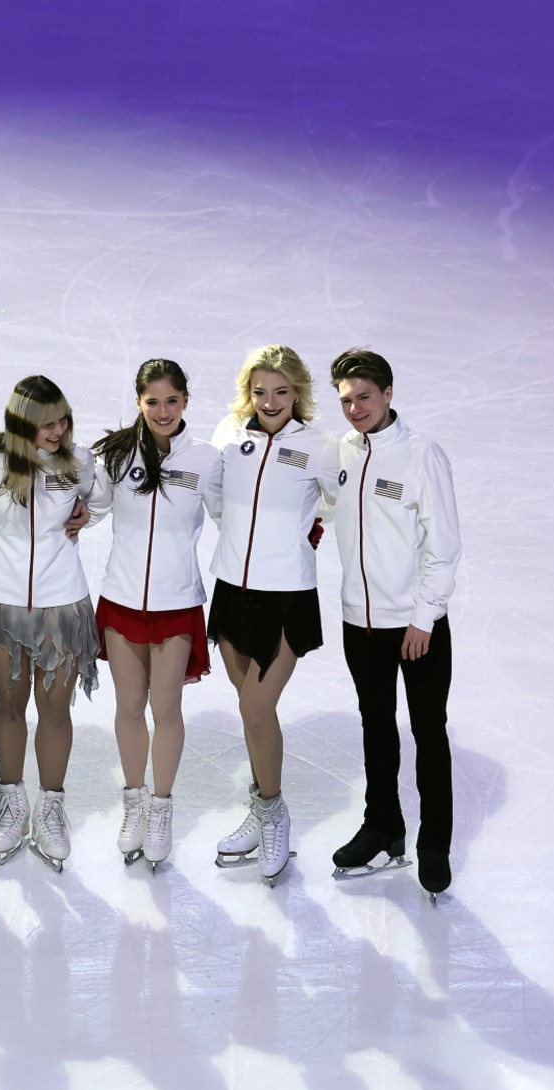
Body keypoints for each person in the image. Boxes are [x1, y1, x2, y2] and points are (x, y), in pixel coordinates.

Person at [327, 348, 461, 901]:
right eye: (346, 400)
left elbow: (444, 546)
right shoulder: (341, 451)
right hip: (359, 622)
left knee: (427, 731)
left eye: (363, 397)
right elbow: (330, 508)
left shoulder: (421, 455)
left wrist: (423, 617)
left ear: (387, 394)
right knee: (375, 727)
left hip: (415, 627)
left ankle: (434, 844)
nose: (355, 408)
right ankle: (383, 827)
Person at [207, 344, 340, 885]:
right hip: (233, 589)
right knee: (248, 708)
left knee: (258, 707)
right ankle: (263, 808)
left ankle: (275, 810)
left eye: (281, 392)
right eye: (260, 391)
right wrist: (240, 538)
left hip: (287, 594)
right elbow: (214, 495)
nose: (270, 401)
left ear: (298, 394)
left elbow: (337, 502)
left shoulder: (319, 447)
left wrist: (305, 532)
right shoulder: (227, 435)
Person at [90, 359, 223, 872]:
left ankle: (162, 808)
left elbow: (230, 514)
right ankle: (134, 802)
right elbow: (94, 504)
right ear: (138, 402)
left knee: (166, 711)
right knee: (128, 707)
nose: (162, 411)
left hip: (177, 604)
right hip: (122, 601)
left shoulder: (207, 460)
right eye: (152, 402)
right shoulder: (119, 454)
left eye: (172, 401)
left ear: (186, 401)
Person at [0, 376, 101, 873]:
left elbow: (104, 498)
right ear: (23, 423)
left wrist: (88, 514)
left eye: (64, 419)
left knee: (55, 708)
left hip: (63, 605)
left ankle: (51, 807)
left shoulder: (79, 462)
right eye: (47, 423)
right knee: (8, 702)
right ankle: (10, 802)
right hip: (2, 603)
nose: (59, 430)